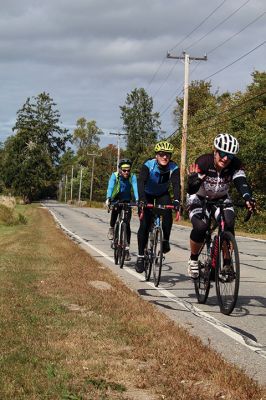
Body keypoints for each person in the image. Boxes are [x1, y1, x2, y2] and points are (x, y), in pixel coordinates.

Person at [186, 133, 256, 279]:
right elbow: (191, 189)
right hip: (199, 197)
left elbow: (241, 182)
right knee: (201, 227)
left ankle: (227, 263)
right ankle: (193, 259)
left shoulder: (235, 165)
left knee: (228, 223)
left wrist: (247, 197)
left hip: (221, 198)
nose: (225, 159)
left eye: (229, 156)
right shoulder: (204, 162)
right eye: (222, 154)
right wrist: (194, 181)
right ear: (215, 151)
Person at [135, 140, 180, 273]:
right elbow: (141, 182)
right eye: (161, 154)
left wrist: (177, 200)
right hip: (147, 195)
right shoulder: (148, 165)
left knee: (168, 212)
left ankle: (165, 239)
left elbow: (176, 184)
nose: (165, 157)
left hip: (162, 194)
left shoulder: (173, 167)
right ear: (156, 155)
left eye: (167, 154)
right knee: (144, 225)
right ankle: (140, 257)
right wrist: (142, 199)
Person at [106, 158, 138, 261]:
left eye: (128, 170)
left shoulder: (132, 176)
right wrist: (108, 198)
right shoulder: (115, 175)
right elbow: (110, 187)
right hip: (116, 199)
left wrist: (137, 199)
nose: (126, 172)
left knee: (127, 224)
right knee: (115, 213)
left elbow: (135, 188)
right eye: (124, 170)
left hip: (127, 200)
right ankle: (111, 228)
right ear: (120, 170)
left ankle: (126, 249)